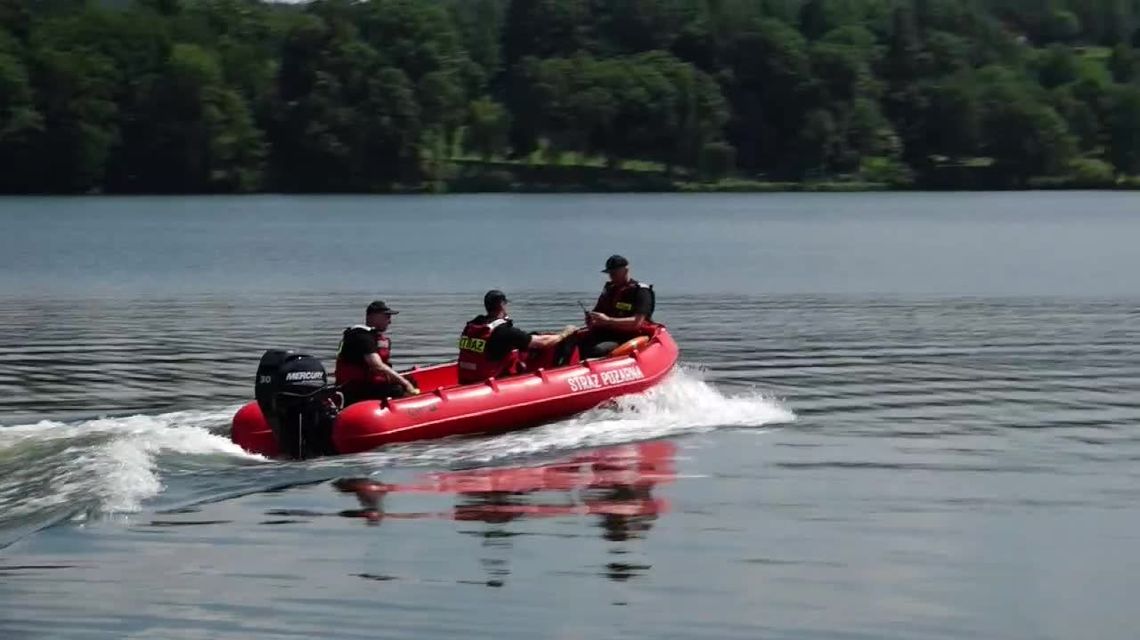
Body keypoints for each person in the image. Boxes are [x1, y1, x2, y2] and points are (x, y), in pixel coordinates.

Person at [457, 290, 576, 384]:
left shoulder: (471, 326)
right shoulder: (504, 331)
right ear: (502, 305)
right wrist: (565, 333)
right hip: (488, 383)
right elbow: (543, 343)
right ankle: (558, 377)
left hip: (468, 379)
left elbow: (492, 346)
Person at [335, 300, 419, 404]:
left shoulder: (373, 336)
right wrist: (405, 383)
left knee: (411, 380)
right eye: (387, 317)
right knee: (399, 388)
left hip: (368, 384)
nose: (389, 321)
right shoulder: (361, 336)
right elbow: (377, 365)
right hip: (355, 389)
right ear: (373, 316)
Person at [579, 254, 655, 358]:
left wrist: (608, 320)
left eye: (614, 273)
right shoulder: (609, 289)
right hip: (605, 333)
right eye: (609, 273)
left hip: (626, 337)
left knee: (596, 350)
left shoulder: (640, 291)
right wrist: (592, 319)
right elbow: (598, 312)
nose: (611, 276)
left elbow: (637, 322)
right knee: (571, 342)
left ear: (625, 270)